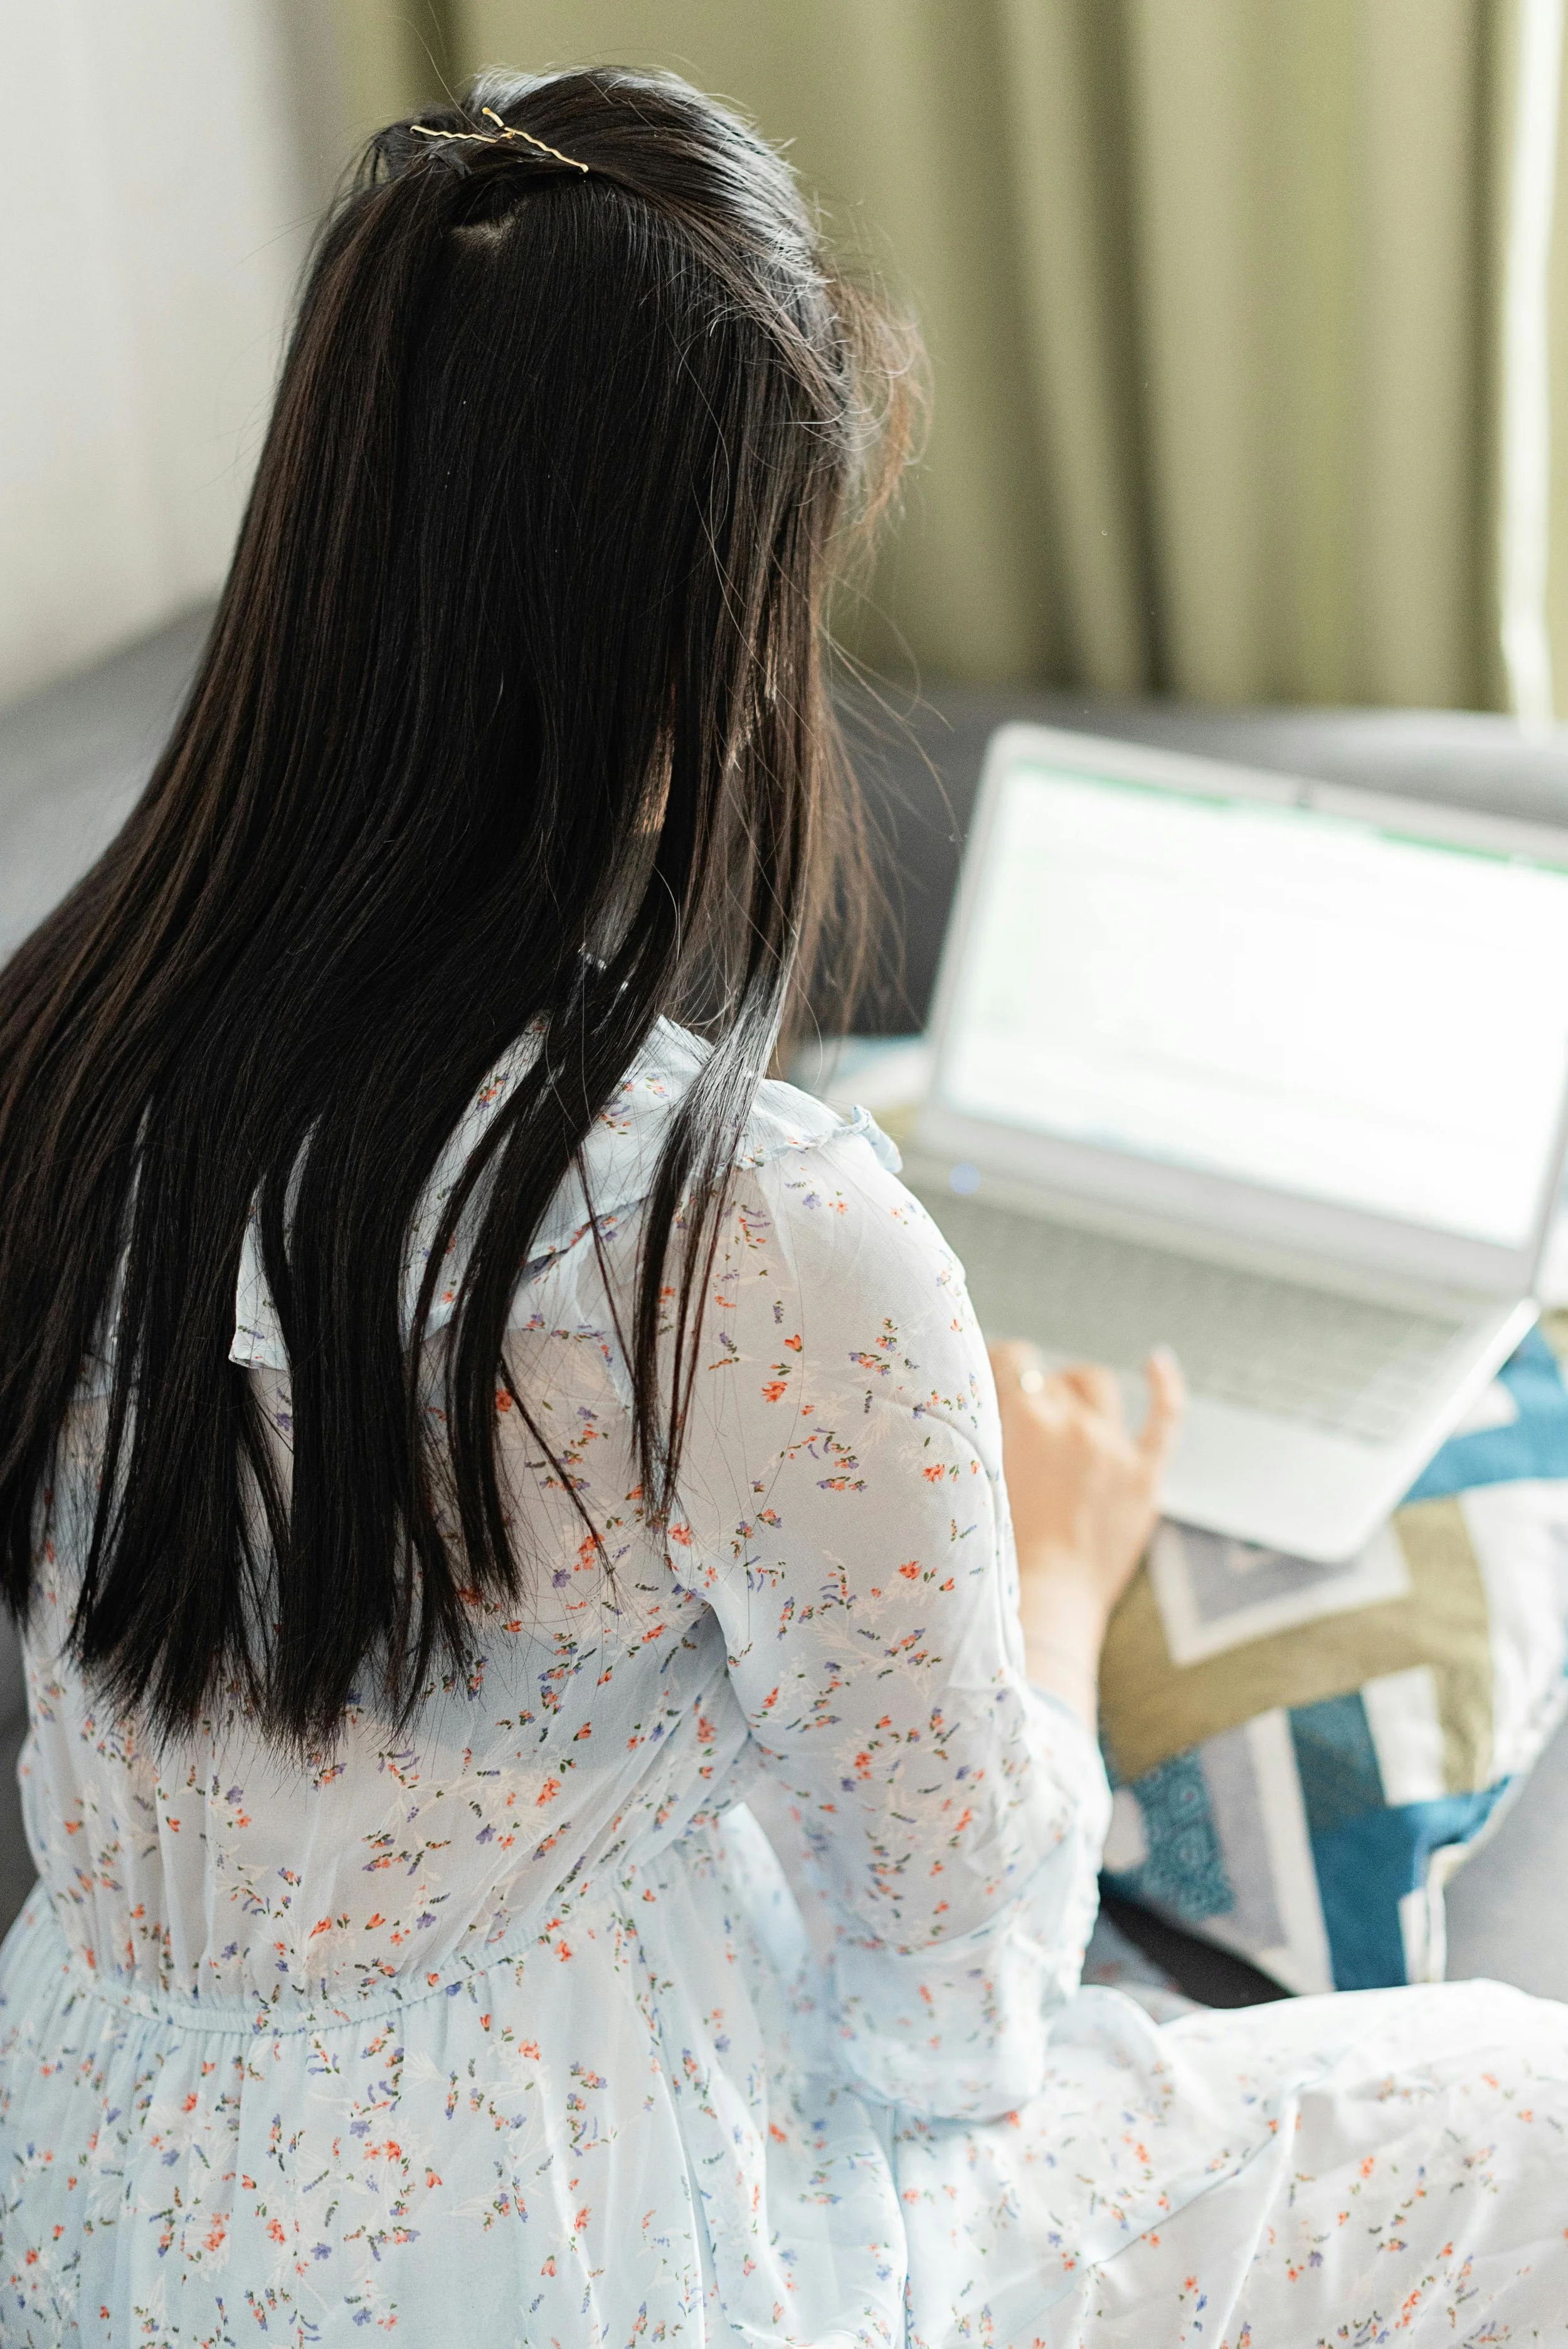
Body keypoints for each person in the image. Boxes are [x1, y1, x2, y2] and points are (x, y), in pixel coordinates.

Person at [1, 66, 1565, 2349]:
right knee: (1517, 2107)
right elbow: (953, 2017)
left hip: (97, 2223)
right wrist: (1039, 1577)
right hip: (626, 2251)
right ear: (703, 635)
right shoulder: (744, 1236)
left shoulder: (53, 1067)